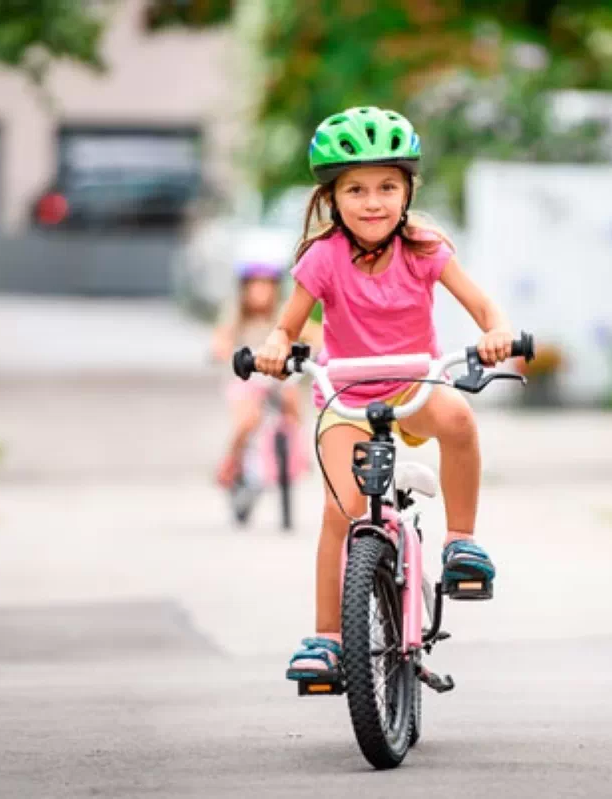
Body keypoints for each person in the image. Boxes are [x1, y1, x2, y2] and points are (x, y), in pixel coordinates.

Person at [248, 106, 517, 682]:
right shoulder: (323, 257)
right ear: (332, 199)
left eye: (387, 187)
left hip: (416, 386)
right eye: (357, 189)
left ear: (408, 190)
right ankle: (326, 639)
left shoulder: (423, 248)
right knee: (341, 511)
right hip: (345, 397)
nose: (373, 202)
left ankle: (461, 544)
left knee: (461, 421)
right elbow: (287, 324)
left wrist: (495, 332)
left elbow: (485, 307)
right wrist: (275, 346)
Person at [211, 261, 308, 489]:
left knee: (293, 401)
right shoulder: (235, 314)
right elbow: (221, 339)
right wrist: (222, 349)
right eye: (255, 285)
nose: (260, 291)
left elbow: (310, 332)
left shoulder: (283, 314)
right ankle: (232, 460)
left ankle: (297, 453)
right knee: (248, 419)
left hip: (277, 379)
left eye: (266, 285)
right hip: (247, 379)